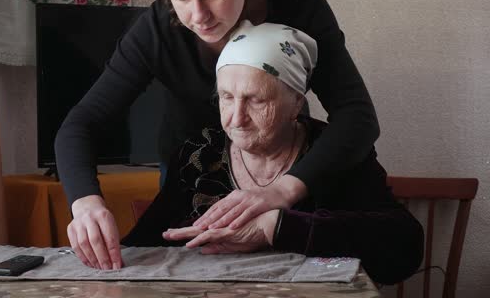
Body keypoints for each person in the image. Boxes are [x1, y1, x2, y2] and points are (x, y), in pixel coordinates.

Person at [55, 0, 380, 271]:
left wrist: (282, 189)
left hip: (281, 165)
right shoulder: (157, 29)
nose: (197, 16)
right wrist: (86, 202)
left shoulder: (299, 4)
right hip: (190, 177)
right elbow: (81, 124)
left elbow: (357, 116)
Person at [121, 21, 424, 285]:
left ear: (295, 103)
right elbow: (148, 242)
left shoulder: (333, 153)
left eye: (256, 100)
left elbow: (405, 248)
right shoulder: (199, 153)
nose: (236, 118)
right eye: (227, 97)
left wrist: (277, 228)